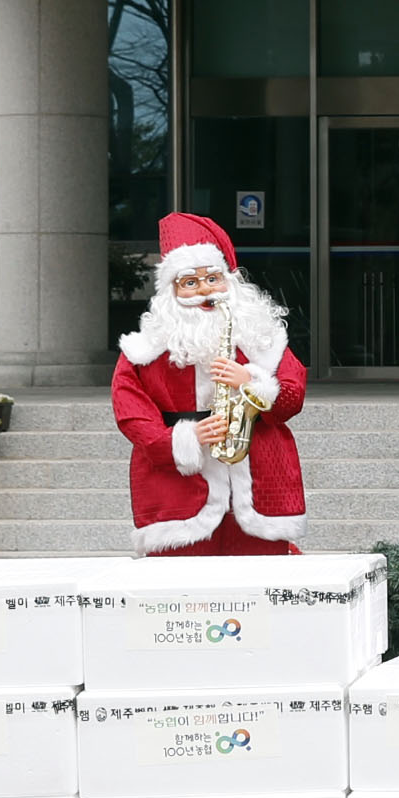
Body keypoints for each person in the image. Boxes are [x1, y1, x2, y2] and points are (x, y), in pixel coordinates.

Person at [110, 211, 312, 555]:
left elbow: (292, 397)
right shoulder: (144, 349)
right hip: (178, 488)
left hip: (260, 479)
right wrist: (182, 439)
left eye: (213, 279)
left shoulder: (262, 338)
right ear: (171, 290)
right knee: (183, 589)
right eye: (190, 282)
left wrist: (251, 380)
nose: (205, 291)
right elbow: (130, 411)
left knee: (261, 581)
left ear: (230, 282)